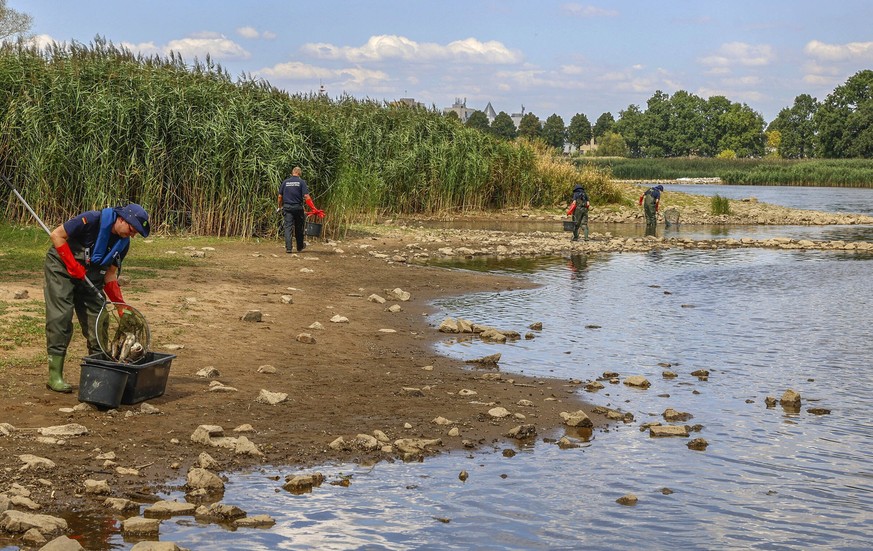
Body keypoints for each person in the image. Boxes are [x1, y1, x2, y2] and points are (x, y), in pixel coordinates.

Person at [44, 203, 150, 392]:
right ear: (121, 219)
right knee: (61, 317)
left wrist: (120, 306)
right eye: (132, 229)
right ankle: (55, 376)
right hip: (61, 268)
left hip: (91, 276)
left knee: (99, 320)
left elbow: (109, 275)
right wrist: (71, 264)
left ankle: (99, 375)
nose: (132, 235)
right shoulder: (91, 220)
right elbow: (56, 235)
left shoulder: (122, 244)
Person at [277, 166, 323, 253]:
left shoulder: (285, 182)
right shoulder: (301, 182)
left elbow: (280, 196)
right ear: (299, 173)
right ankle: (299, 247)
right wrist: (313, 208)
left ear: (292, 173)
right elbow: (306, 196)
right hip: (298, 208)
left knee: (288, 228)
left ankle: (289, 248)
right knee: (299, 228)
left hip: (287, 208)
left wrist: (279, 207)